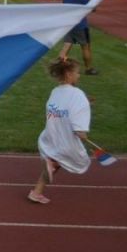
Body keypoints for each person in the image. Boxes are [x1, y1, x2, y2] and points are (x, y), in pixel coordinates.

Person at [27, 58, 93, 204]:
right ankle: (51, 165)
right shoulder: (77, 94)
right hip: (66, 139)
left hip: (52, 135)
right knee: (81, 161)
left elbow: (58, 109)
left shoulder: (56, 91)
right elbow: (79, 127)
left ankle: (37, 192)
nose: (79, 75)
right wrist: (82, 133)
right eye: (77, 72)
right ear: (68, 74)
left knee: (55, 161)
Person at [59, 0, 98, 75]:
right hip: (80, 25)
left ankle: (59, 66)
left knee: (66, 46)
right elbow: (93, 9)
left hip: (69, 24)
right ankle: (88, 69)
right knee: (85, 47)